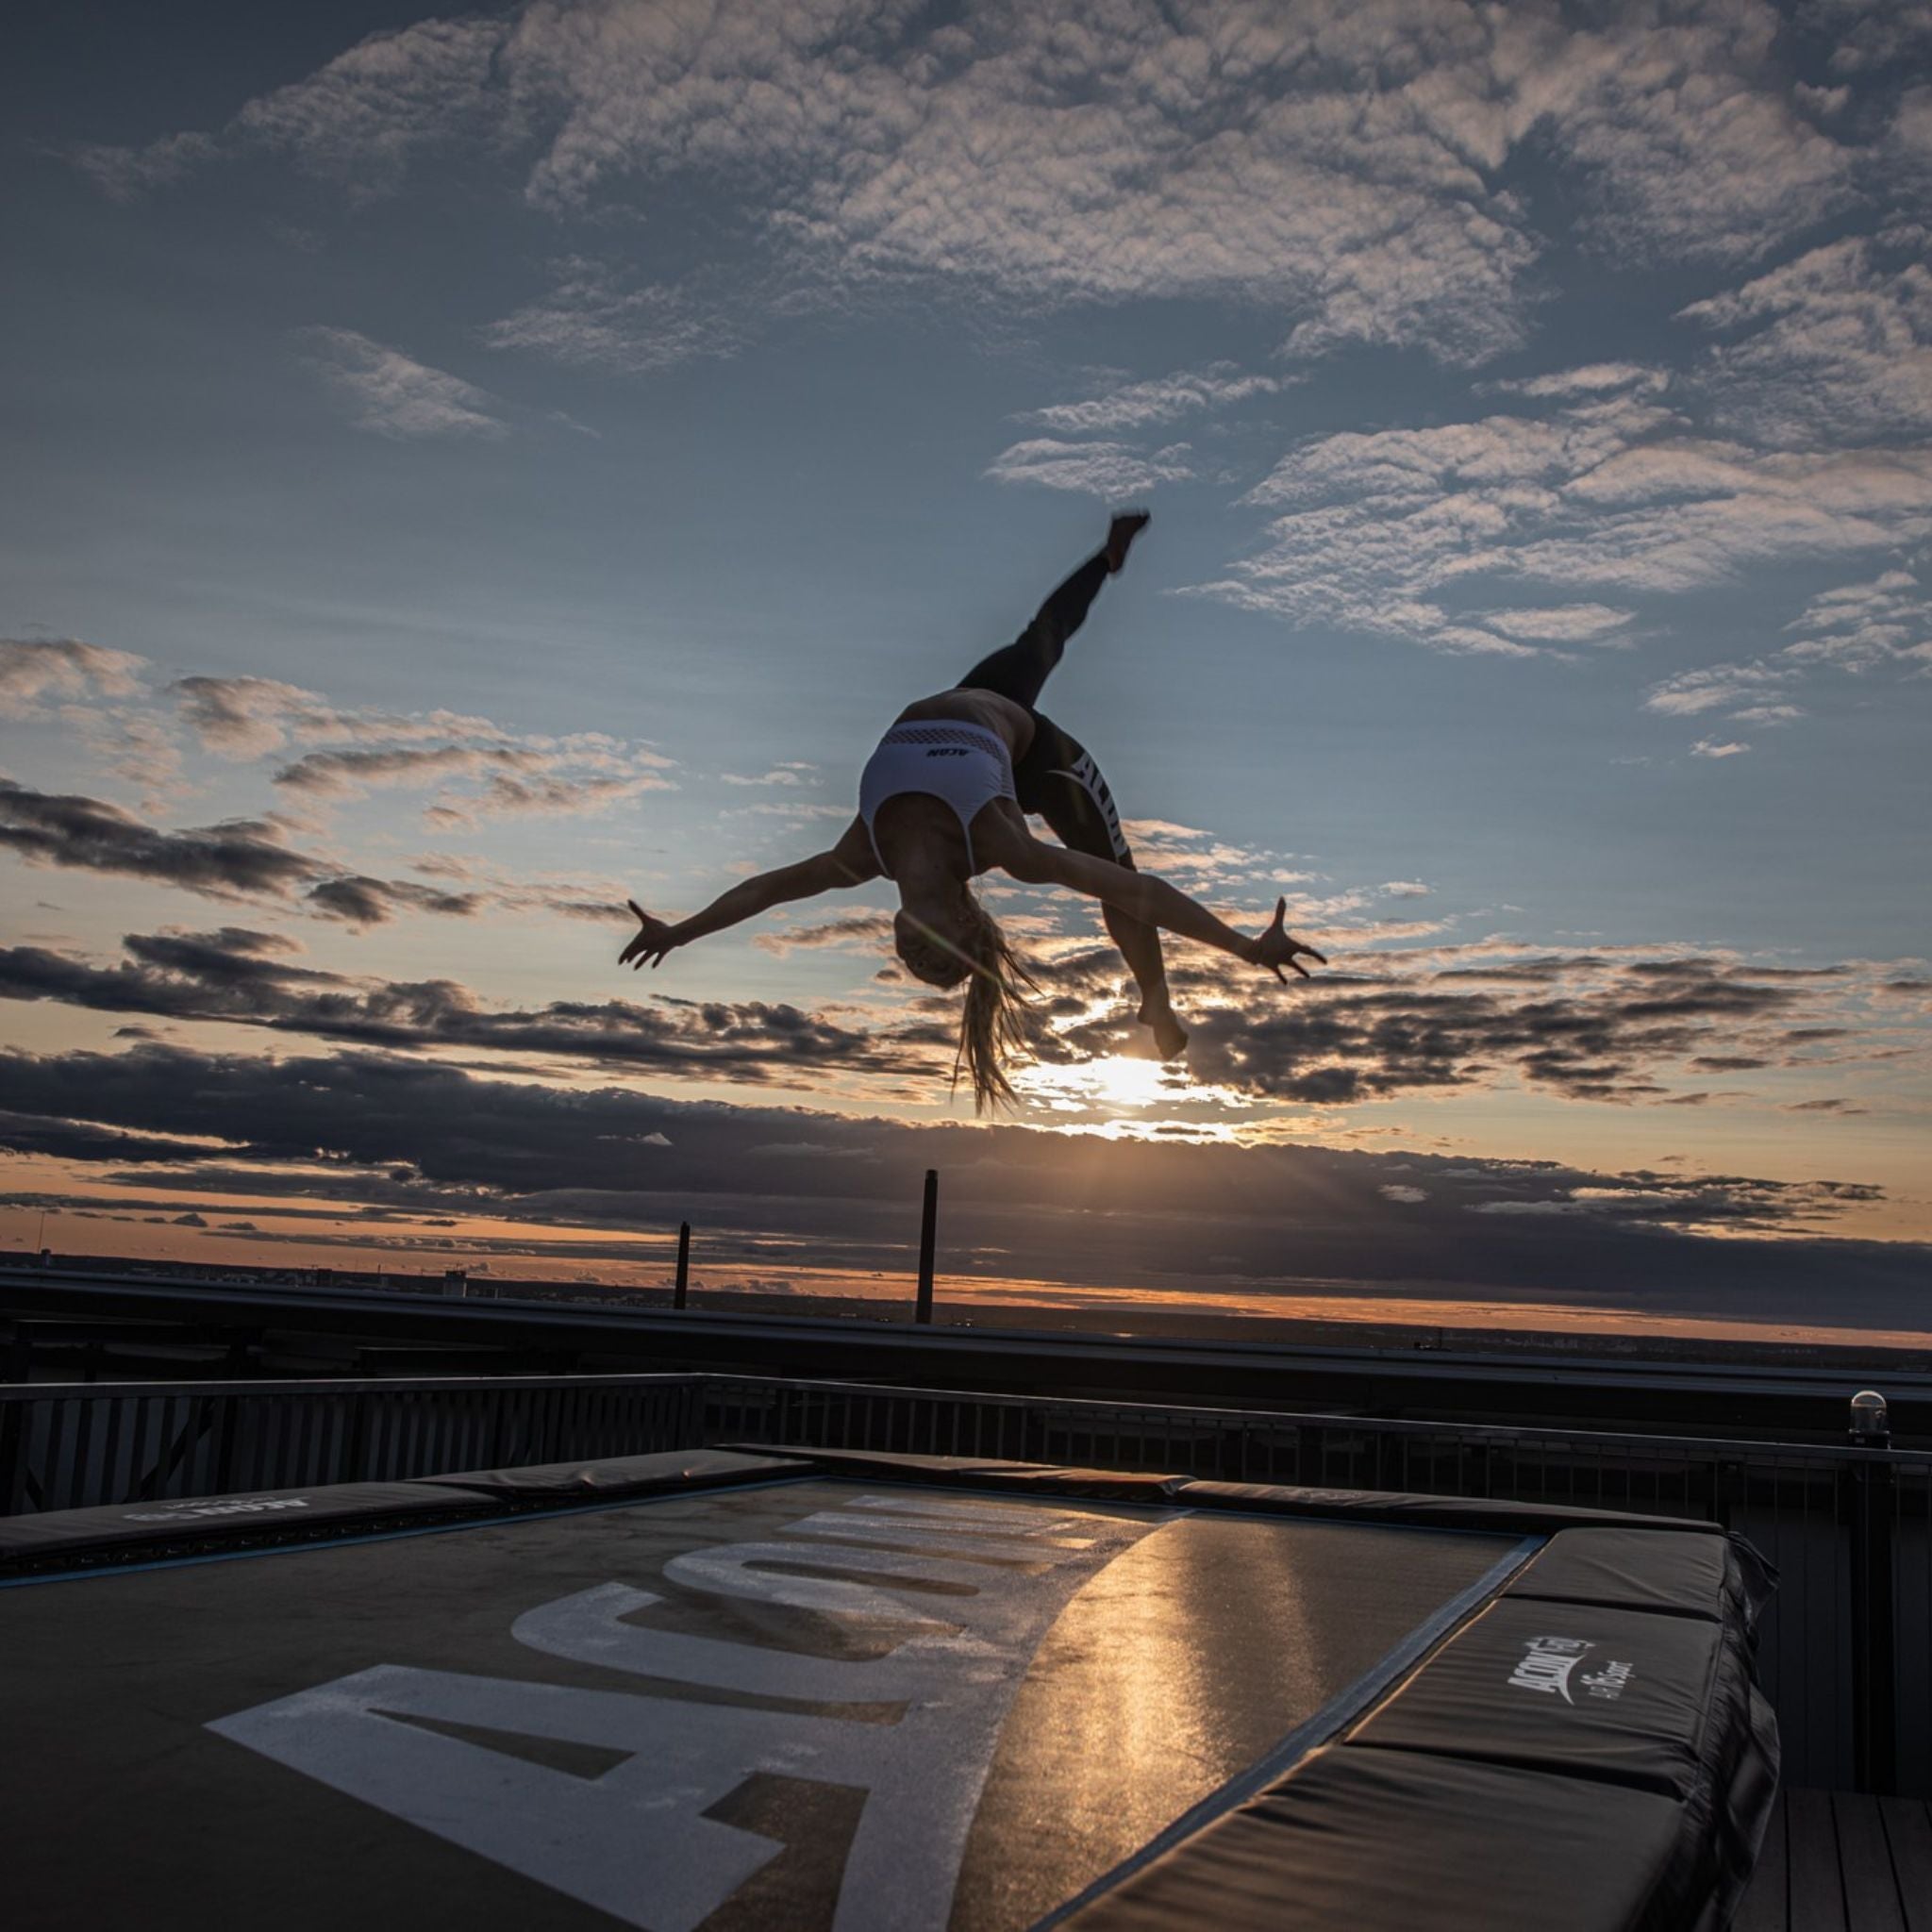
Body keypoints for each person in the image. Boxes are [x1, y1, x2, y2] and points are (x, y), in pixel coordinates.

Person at [621, 512, 1325, 1108]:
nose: (906, 933)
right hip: (1038, 757)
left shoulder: (862, 853)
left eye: (909, 943)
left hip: (978, 706)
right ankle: (1159, 1001)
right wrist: (1240, 947)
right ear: (950, 918)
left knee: (1041, 640)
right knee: (1115, 872)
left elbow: (765, 890)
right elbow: (1139, 891)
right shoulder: (1002, 847)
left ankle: (1105, 560)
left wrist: (682, 933)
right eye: (923, 943)